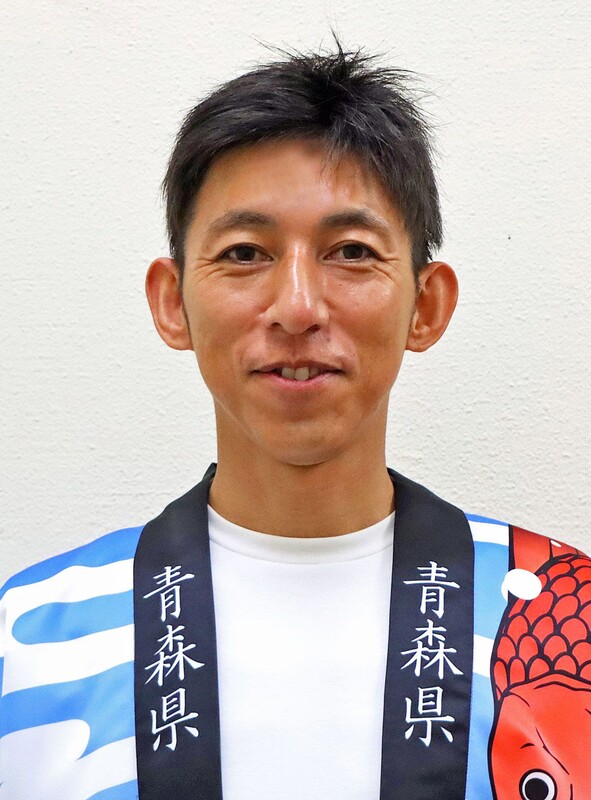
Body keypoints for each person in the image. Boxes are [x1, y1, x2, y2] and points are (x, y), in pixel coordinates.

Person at [0, 38, 588, 800]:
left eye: (351, 251)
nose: (298, 307)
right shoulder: (30, 646)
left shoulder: (563, 618)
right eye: (245, 253)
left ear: (427, 304)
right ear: (172, 303)